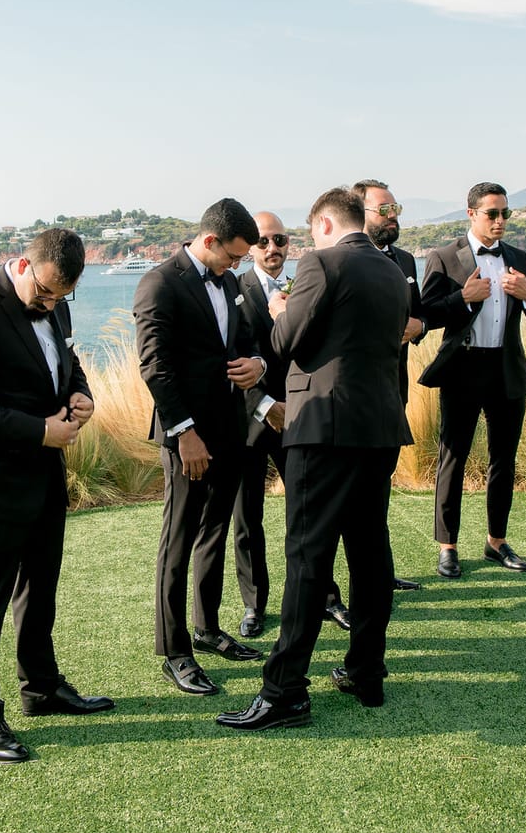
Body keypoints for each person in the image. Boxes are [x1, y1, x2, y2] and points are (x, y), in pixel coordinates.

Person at [216, 187, 411, 731]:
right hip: (380, 428)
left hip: (323, 429)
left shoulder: (321, 265)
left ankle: (284, 692)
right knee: (371, 552)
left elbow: (284, 343)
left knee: (306, 557)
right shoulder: (392, 271)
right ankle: (366, 671)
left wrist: (281, 310)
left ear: (324, 224)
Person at [0, 228, 114, 764]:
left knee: (40, 587)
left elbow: (66, 362)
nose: (53, 305)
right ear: (21, 264)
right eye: (46, 293)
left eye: (63, 297)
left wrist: (80, 394)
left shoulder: (54, 303)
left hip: (44, 476)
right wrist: (40, 431)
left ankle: (41, 688)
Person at [133, 198, 266, 697]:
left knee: (215, 531)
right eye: (232, 256)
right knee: (179, 538)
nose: (237, 265)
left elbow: (246, 340)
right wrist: (184, 432)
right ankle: (174, 650)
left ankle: (207, 629)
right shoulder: (159, 284)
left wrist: (257, 366)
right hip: (186, 436)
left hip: (231, 428)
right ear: (209, 241)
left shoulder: (229, 282)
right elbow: (155, 366)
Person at [419, 181, 526, 578]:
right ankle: (448, 546)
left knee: (503, 460)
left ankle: (496, 542)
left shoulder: (519, 258)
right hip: (462, 369)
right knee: (453, 458)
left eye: (505, 213)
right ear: (471, 214)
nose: (500, 221)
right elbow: (426, 315)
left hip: (506, 370)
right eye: (492, 213)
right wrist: (463, 297)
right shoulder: (444, 257)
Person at [233, 211, 349, 639]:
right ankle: (254, 605)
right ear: (250, 247)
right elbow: (228, 358)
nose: (272, 248)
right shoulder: (234, 289)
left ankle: (326, 596)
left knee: (310, 514)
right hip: (250, 420)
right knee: (248, 519)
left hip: (300, 417)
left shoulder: (307, 284)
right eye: (263, 241)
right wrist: (265, 405)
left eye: (279, 240)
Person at [352, 178, 447, 592]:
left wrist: (420, 325)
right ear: (359, 214)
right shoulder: (340, 261)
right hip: (352, 396)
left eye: (396, 209)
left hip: (394, 392)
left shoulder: (406, 261)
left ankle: (379, 574)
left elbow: (421, 314)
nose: (393, 217)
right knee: (350, 494)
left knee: (380, 487)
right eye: (384, 210)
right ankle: (340, 589)